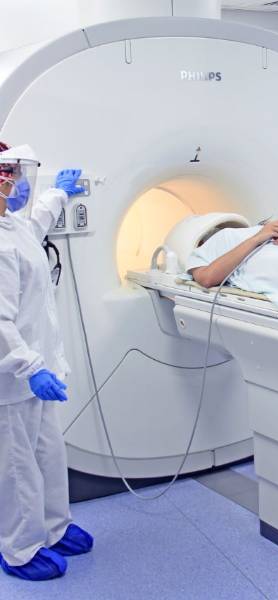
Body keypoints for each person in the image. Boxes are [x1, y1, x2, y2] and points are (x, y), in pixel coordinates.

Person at [0, 143, 93, 581]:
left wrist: (58, 194)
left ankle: (55, 527)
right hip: (13, 378)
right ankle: (19, 548)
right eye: (15, 176)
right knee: (18, 467)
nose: (21, 184)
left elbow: (34, 225)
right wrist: (29, 367)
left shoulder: (12, 224)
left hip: (39, 370)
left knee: (49, 454)